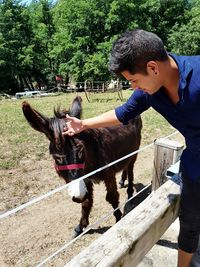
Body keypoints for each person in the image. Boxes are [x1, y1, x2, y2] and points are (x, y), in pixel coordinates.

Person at [63, 29, 200, 267]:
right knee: (189, 222)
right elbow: (123, 113)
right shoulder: (149, 91)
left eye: (133, 80)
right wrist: (83, 124)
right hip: (196, 161)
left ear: (153, 68)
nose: (134, 87)